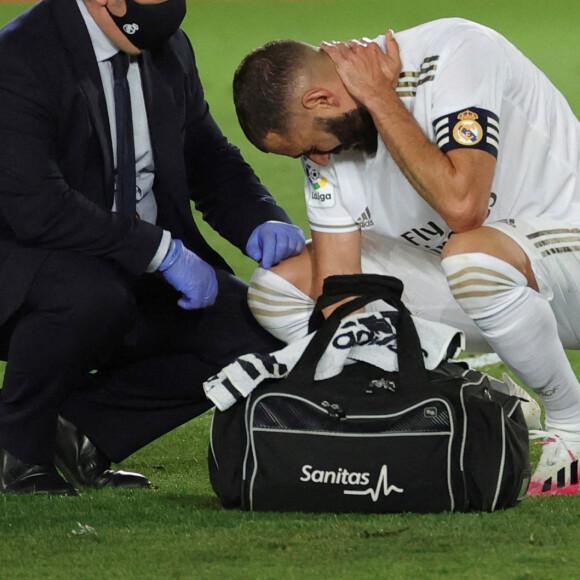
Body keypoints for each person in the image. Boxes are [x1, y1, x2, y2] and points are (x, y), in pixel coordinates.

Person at [232, 18, 580, 496]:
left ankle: (573, 425)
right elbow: (338, 298)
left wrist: (379, 96)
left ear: (321, 99)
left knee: (470, 255)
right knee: (279, 289)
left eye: (314, 145)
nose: (320, 162)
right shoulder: (327, 150)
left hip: (567, 259)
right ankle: (477, 395)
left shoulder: (458, 51)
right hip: (488, 287)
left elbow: (464, 206)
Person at [0, 0, 305, 495]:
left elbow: (207, 155)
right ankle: (17, 449)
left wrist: (260, 218)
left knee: (257, 332)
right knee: (92, 298)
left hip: (135, 260)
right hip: (28, 261)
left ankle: (78, 432)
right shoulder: (19, 57)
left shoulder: (167, 48)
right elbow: (36, 207)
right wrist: (164, 253)